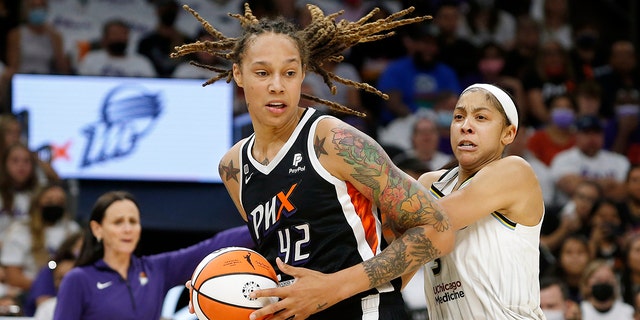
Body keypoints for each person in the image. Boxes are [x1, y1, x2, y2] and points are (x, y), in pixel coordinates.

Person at [172, 3, 454, 319]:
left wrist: (333, 287)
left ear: (303, 74)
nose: (277, 85)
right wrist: (218, 288)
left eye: (289, 72)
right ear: (238, 73)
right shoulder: (233, 167)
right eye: (262, 72)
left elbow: (437, 229)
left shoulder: (333, 140)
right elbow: (279, 260)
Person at [248, 84, 545, 319]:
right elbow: (396, 272)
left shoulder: (514, 171)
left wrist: (332, 285)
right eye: (458, 116)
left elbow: (433, 222)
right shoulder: (431, 183)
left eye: (481, 118)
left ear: (508, 133)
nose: (466, 126)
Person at [53, 191, 255, 320]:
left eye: (133, 222)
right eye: (118, 222)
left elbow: (210, 247)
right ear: (97, 229)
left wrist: (262, 228)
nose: (127, 229)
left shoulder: (155, 269)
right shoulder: (78, 279)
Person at [0, 183, 80, 292]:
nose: (55, 205)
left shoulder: (73, 230)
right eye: (49, 201)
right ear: (37, 203)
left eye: (60, 202)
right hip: (28, 292)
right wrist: (44, 289)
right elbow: (13, 277)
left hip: (66, 290)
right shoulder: (20, 231)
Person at [550, 114, 630, 204]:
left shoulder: (620, 160)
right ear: (576, 135)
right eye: (586, 132)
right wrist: (609, 184)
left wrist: (582, 182)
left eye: (596, 133)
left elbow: (625, 191)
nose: (592, 138)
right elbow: (571, 187)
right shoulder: (562, 159)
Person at [77, 19, 156, 77]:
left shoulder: (141, 62)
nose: (119, 38)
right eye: (114, 34)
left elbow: (151, 85)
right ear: (105, 38)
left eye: (123, 34)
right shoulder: (91, 59)